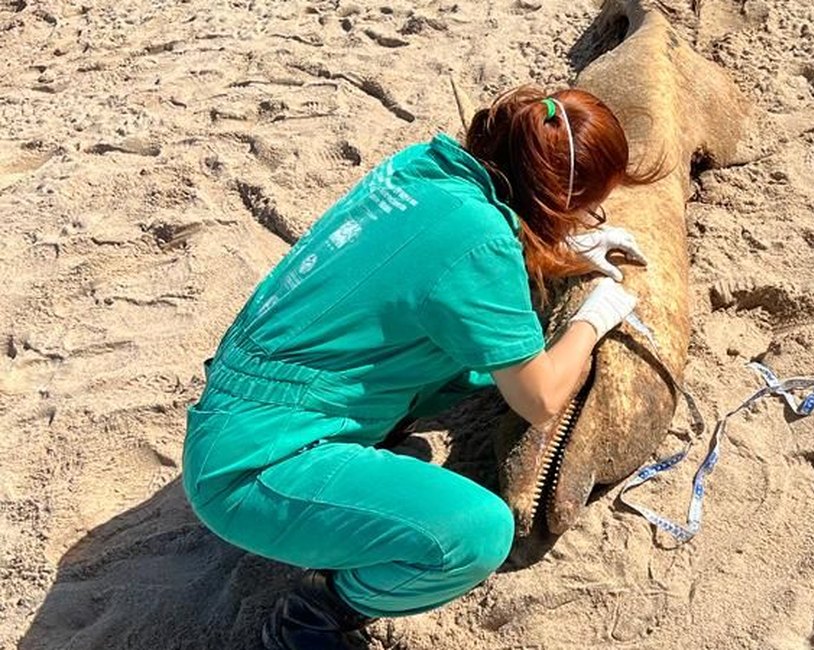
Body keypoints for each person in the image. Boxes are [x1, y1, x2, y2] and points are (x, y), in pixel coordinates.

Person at [181, 85, 662, 650]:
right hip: (252, 465)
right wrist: (592, 318)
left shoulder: (425, 170)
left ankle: (355, 476)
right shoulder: (481, 243)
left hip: (248, 407)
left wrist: (563, 254)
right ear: (557, 198)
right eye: (586, 208)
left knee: (472, 358)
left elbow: (429, 265)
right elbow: (540, 398)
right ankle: (315, 613)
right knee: (474, 534)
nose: (588, 220)